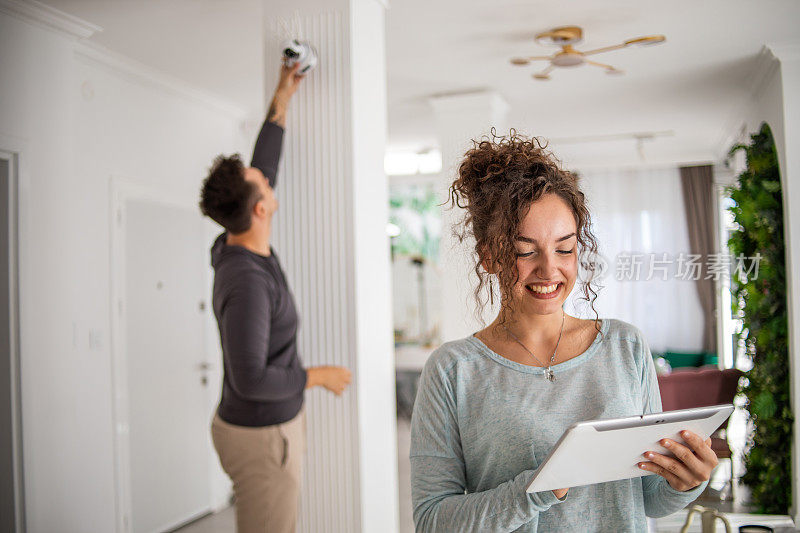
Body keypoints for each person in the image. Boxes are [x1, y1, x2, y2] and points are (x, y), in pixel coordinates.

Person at [409, 131, 716, 532]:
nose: (549, 270)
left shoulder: (625, 346)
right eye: (525, 250)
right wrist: (540, 487)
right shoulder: (452, 370)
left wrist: (686, 481)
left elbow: (649, 499)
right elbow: (432, 521)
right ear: (488, 255)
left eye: (565, 248)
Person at [199, 62, 352, 533]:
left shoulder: (236, 239)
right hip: (261, 436)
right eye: (261, 182)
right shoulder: (246, 282)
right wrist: (318, 375)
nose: (266, 176)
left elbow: (263, 166)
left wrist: (281, 98)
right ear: (261, 208)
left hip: (264, 430)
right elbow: (251, 380)